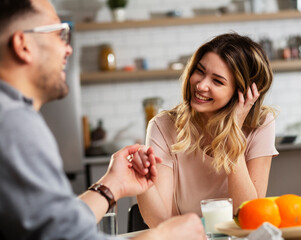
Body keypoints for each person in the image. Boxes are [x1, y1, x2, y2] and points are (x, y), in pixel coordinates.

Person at [0, 0, 206, 239]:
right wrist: (164, 237)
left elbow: (58, 223)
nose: (68, 49)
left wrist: (113, 184)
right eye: (59, 34)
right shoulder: (13, 122)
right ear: (23, 45)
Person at [135, 33, 279, 227]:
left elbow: (249, 214)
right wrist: (140, 178)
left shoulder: (261, 124)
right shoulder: (163, 126)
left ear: (242, 92)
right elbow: (160, 221)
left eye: (217, 81)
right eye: (200, 71)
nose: (201, 85)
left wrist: (232, 134)